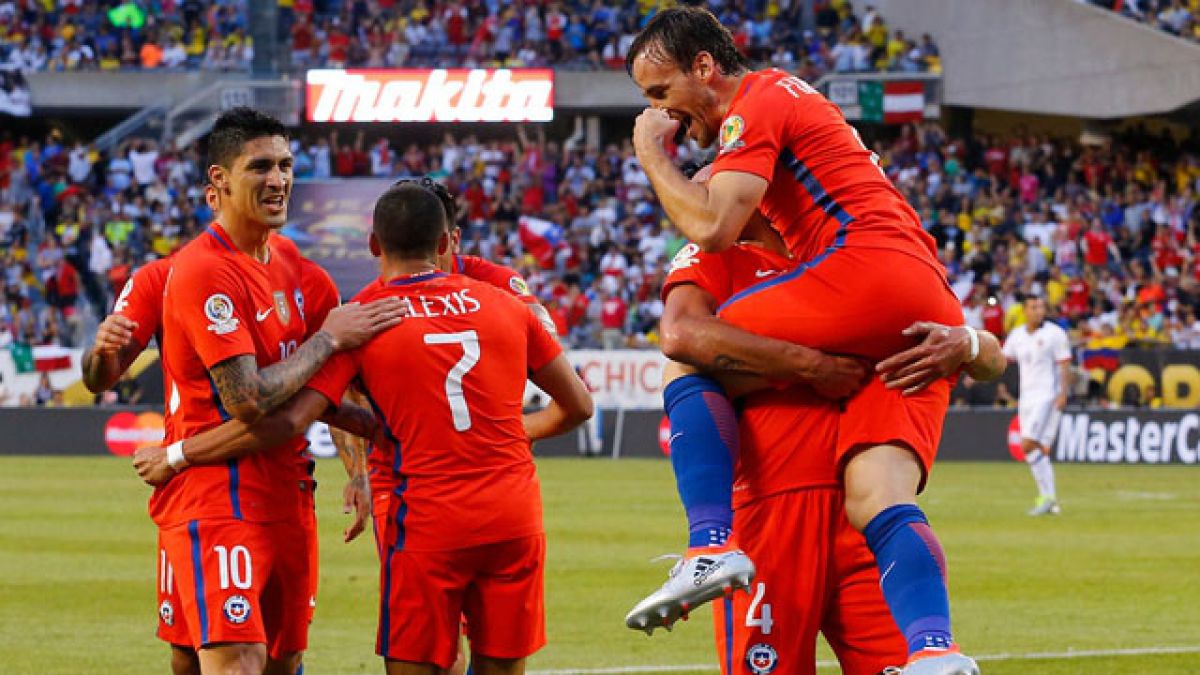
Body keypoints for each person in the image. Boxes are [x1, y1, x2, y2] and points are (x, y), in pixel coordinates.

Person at [627, 8, 977, 672]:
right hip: (919, 299)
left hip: (863, 274)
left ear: (704, 66)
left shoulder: (757, 99)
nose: (665, 115)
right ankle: (937, 651)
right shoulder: (796, 123)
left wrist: (647, 149)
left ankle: (709, 543)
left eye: (660, 94)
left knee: (685, 351)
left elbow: (710, 233)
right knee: (880, 492)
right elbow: (975, 350)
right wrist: (973, 341)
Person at [139, 181, 593, 675]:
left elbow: (286, 420)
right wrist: (507, 433)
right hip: (514, 515)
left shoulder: (363, 321)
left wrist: (178, 454)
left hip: (426, 522)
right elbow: (579, 406)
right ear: (445, 244)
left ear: (374, 244)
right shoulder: (505, 304)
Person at [147, 107, 403, 675]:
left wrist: (358, 472)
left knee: (281, 663)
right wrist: (330, 338)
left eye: (286, 165)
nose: (279, 180)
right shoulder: (202, 272)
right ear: (219, 181)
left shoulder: (300, 271)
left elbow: (342, 388)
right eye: (260, 166)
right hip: (218, 498)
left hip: (291, 498)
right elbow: (247, 398)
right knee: (237, 662)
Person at [1002, 295, 1071, 516]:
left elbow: (1064, 364)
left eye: (1041, 306)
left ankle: (1048, 498)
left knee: (1028, 445)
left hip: (1046, 396)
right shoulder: (1017, 335)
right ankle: (1048, 498)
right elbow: (1004, 359)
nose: (1039, 311)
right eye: (1034, 307)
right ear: (1025, 311)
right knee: (1036, 450)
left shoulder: (1054, 334)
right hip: (1026, 399)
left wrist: (1063, 393)